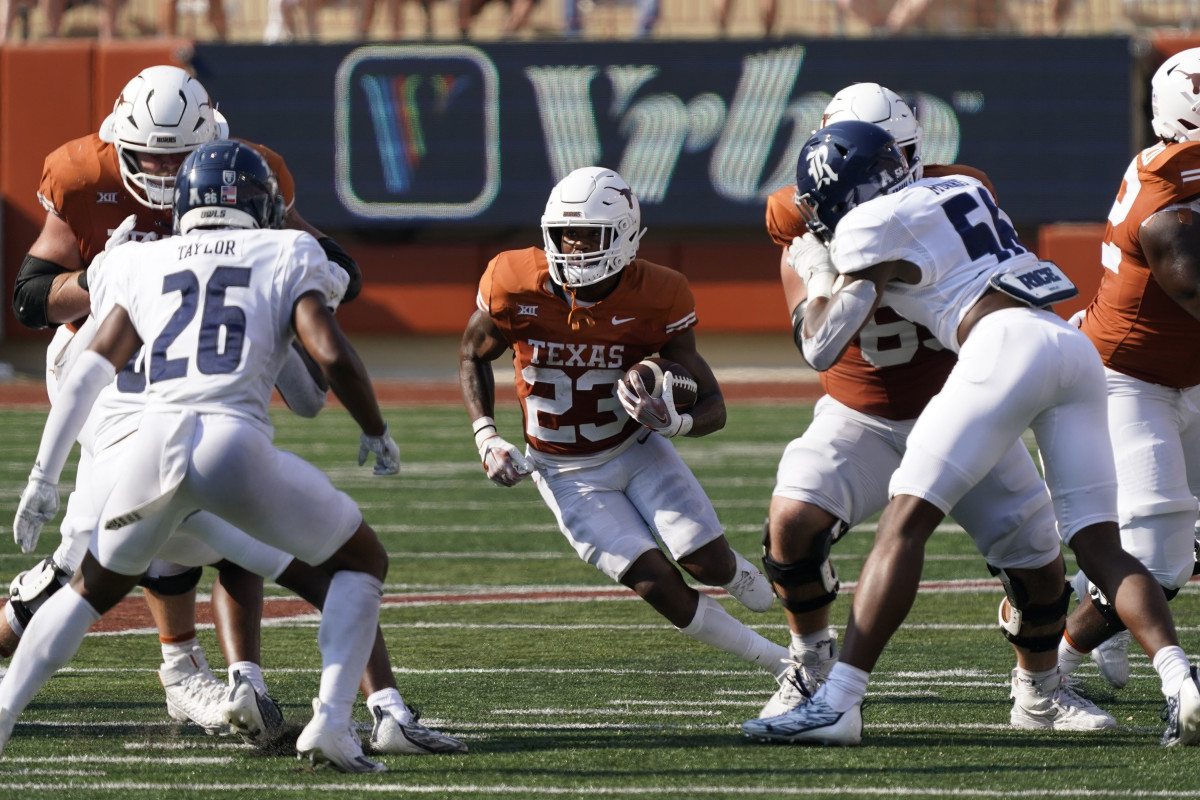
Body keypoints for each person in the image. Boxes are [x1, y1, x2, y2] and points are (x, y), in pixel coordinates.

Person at [741, 120, 1200, 747]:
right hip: (1071, 347)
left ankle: (839, 702)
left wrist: (816, 265)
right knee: (1098, 546)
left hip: (1001, 346)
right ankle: (1180, 682)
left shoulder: (865, 224)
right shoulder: (963, 186)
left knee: (904, 523)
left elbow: (822, 343)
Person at [0, 140, 397, 773]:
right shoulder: (287, 249)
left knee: (82, 593)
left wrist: (41, 477)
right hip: (227, 447)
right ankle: (336, 719)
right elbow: (317, 384)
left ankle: (4, 712)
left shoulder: (137, 260)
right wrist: (374, 428)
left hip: (144, 456)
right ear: (263, 205)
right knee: (355, 562)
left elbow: (82, 376)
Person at [459, 166, 791, 692]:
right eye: (565, 233)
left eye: (589, 235)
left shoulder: (659, 292)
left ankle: (735, 572)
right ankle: (780, 663)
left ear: (625, 237)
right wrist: (485, 434)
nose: (574, 246)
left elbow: (712, 402)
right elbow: (472, 354)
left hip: (635, 447)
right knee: (653, 580)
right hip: (563, 470)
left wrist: (675, 418)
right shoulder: (511, 279)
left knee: (705, 563)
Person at [1056, 47, 1200, 694]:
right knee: (1162, 559)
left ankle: (1104, 620)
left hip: (1186, 371)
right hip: (1126, 378)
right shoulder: (1165, 200)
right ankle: (1047, 669)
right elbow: (1192, 289)